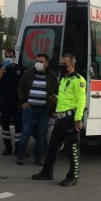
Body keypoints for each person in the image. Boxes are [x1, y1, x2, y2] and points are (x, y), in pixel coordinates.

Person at [32, 53, 87, 187]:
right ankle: (47, 172)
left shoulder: (79, 80)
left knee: (72, 149)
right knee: (52, 147)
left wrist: (78, 119)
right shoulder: (63, 78)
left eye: (65, 64)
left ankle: (73, 177)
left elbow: (81, 101)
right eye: (61, 64)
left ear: (72, 65)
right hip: (60, 118)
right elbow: (64, 98)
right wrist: (54, 99)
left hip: (71, 119)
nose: (62, 66)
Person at [16, 53, 58, 166]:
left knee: (41, 134)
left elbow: (56, 93)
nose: (38, 63)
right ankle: (20, 156)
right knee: (26, 132)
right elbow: (20, 87)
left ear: (47, 63)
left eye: (41, 61)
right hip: (29, 108)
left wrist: (53, 109)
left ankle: (39, 158)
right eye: (37, 61)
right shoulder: (29, 73)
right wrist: (23, 101)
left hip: (44, 110)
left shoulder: (52, 76)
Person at [0, 49, 26, 156]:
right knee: (5, 125)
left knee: (19, 125)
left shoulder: (20, 68)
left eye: (10, 57)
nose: (8, 59)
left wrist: (23, 100)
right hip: (4, 102)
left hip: (17, 102)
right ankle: (7, 147)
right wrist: (4, 67)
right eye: (6, 56)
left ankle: (18, 148)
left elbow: (24, 85)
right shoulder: (1, 67)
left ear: (14, 57)